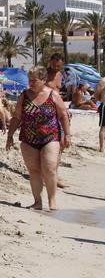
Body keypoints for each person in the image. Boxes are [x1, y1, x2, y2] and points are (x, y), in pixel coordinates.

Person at [5, 66, 71, 211]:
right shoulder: (24, 95)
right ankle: (37, 202)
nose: (30, 83)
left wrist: (67, 135)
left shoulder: (53, 95)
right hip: (28, 138)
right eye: (29, 80)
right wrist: (10, 135)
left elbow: (63, 115)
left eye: (34, 80)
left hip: (51, 137)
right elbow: (17, 117)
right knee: (34, 171)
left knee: (49, 168)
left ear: (43, 80)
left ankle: (52, 200)